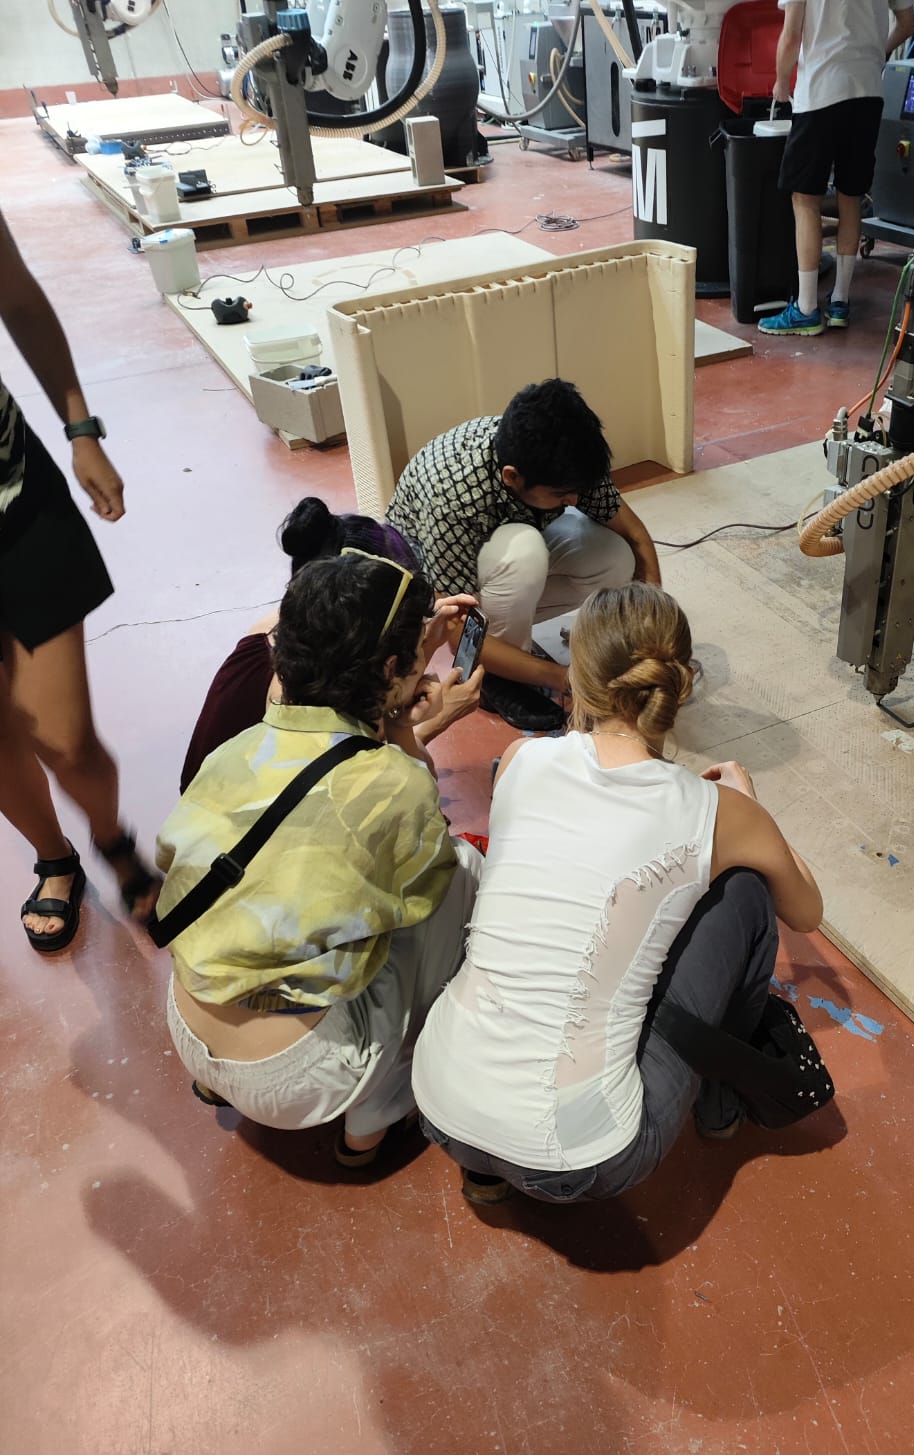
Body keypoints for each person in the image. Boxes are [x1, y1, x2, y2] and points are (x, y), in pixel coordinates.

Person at [412, 583, 824, 1206]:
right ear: (682, 682)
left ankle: (484, 1171)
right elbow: (808, 912)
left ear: (577, 679)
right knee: (744, 891)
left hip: (439, 1103)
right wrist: (750, 809)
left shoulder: (521, 758)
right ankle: (720, 1100)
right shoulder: (715, 809)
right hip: (582, 1159)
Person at [157, 551, 481, 1166]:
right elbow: (424, 878)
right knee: (459, 873)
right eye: (416, 656)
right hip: (296, 1080)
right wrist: (405, 735)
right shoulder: (391, 781)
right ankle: (371, 1124)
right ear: (391, 669)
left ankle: (217, 1082)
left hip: (185, 1020)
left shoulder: (236, 749)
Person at [0, 205, 160, 952]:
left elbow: (20, 299)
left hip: (13, 497)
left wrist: (80, 427)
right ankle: (54, 858)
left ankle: (111, 838)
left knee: (68, 741)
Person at [386, 378, 661, 734]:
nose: (574, 501)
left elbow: (635, 536)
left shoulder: (563, 459)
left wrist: (655, 625)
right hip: (440, 589)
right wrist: (567, 678)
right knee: (524, 552)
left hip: (501, 559)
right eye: (562, 495)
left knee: (616, 556)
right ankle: (496, 678)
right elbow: (457, 631)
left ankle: (513, 650)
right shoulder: (454, 498)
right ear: (512, 477)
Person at [178, 496, 482, 791]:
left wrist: (416, 640)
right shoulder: (330, 711)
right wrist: (438, 717)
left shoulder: (287, 630)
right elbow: (409, 787)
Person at [759, 0, 914, 338]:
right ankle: (841, 300)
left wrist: (781, 81)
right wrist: (877, 53)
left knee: (805, 199)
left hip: (820, 90)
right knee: (850, 196)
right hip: (867, 91)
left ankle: (806, 309)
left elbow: (791, 35)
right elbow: (907, 23)